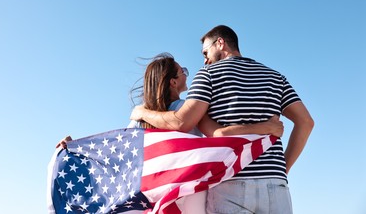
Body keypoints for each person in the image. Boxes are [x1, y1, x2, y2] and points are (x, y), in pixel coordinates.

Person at [56, 52, 285, 213]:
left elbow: (118, 157)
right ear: (174, 82)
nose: (187, 74)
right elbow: (219, 134)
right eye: (183, 71)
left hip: (156, 195)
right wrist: (265, 128)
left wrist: (77, 148)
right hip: (192, 191)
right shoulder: (190, 111)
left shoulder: (139, 118)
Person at [130, 25, 314, 213]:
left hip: (230, 184)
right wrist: (283, 168)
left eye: (205, 52)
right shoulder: (276, 78)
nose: (205, 60)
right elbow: (306, 122)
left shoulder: (208, 74)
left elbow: (182, 122)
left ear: (220, 43)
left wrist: (142, 112)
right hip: (275, 185)